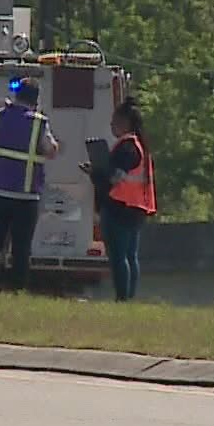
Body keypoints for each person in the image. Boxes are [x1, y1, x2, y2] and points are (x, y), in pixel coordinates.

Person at [0, 76, 60, 292]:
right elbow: (50, 150)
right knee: (21, 247)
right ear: (36, 99)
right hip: (26, 195)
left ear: (16, 95)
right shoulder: (39, 123)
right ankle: (17, 287)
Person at [82, 99, 156, 301]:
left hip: (119, 206)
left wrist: (95, 174)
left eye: (114, 121)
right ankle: (128, 298)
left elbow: (114, 178)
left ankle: (122, 298)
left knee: (118, 256)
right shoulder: (140, 146)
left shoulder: (126, 147)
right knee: (131, 256)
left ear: (124, 122)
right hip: (137, 207)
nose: (111, 125)